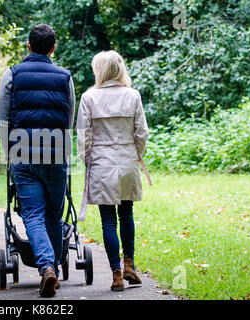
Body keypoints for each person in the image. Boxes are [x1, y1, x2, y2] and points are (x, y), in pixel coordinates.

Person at [0, 24, 76, 297]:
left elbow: (2, 120)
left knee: (33, 214)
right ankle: (51, 265)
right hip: (56, 153)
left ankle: (47, 268)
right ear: (53, 48)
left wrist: (8, 151)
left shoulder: (12, 74)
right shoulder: (65, 77)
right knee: (54, 214)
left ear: (28, 46)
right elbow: (69, 119)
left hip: (23, 154)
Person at [76, 50, 149, 291]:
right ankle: (130, 265)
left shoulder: (89, 98)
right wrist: (135, 152)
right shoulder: (133, 95)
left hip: (101, 162)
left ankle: (117, 275)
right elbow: (142, 133)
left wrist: (88, 159)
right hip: (127, 159)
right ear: (119, 70)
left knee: (108, 220)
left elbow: (83, 136)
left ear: (99, 70)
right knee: (126, 214)